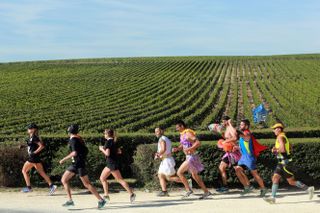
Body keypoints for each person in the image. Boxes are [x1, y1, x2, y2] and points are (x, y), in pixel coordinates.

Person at [264, 123, 314, 204]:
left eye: (275, 129)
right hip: (283, 162)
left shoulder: (280, 137)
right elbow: (290, 147)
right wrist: (277, 149)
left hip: (284, 164)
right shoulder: (284, 137)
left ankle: (308, 189)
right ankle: (273, 197)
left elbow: (283, 150)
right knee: (280, 179)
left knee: (285, 180)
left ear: (279, 129)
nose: (273, 131)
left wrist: (275, 150)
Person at [59, 124, 106, 209]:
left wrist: (63, 159)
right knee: (64, 180)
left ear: (69, 131)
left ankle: (101, 200)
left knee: (87, 184)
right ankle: (70, 201)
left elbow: (74, 153)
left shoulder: (73, 140)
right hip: (76, 164)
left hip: (78, 164)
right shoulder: (78, 138)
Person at [172, 120, 212, 199]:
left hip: (191, 157)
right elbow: (183, 145)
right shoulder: (183, 134)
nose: (176, 129)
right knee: (195, 175)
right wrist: (177, 149)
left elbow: (198, 142)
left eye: (177, 127)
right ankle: (206, 192)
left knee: (179, 172)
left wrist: (190, 148)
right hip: (189, 156)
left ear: (182, 126)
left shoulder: (188, 133)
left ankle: (188, 190)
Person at [99, 129, 136, 203]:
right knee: (102, 178)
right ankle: (106, 195)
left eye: (104, 133)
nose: (104, 135)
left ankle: (132, 194)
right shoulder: (114, 141)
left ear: (107, 134)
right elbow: (119, 151)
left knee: (119, 180)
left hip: (111, 163)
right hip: (111, 163)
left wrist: (102, 149)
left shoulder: (108, 142)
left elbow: (107, 154)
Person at [234, 119, 267, 196]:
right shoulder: (242, 135)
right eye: (240, 124)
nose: (240, 126)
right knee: (237, 169)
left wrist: (231, 126)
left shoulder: (248, 133)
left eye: (242, 125)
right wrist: (237, 147)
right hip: (243, 157)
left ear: (246, 126)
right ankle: (247, 187)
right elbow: (243, 145)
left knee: (255, 174)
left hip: (249, 157)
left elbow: (245, 137)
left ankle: (263, 188)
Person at [21, 123, 57, 195]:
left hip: (33, 158)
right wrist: (24, 146)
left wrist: (34, 152)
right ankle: (52, 186)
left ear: (33, 130)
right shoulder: (31, 137)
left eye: (30, 128)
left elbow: (41, 146)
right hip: (34, 158)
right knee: (42, 172)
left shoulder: (34, 137)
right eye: (28, 128)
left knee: (24, 171)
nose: (28, 130)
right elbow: (31, 146)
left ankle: (29, 188)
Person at [216, 116, 241, 193]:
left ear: (227, 121)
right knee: (222, 168)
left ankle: (247, 185)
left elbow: (235, 138)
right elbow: (228, 138)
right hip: (229, 152)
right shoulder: (227, 128)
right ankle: (225, 186)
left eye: (224, 121)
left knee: (238, 170)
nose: (222, 123)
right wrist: (221, 134)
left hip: (233, 153)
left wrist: (225, 142)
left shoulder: (230, 127)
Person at [154, 127, 181, 197]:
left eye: (157, 131)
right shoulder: (166, 138)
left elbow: (163, 149)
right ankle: (164, 191)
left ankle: (187, 181)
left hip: (167, 160)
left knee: (169, 177)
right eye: (155, 132)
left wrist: (157, 154)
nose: (156, 133)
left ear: (162, 131)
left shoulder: (162, 139)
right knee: (160, 175)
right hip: (166, 160)